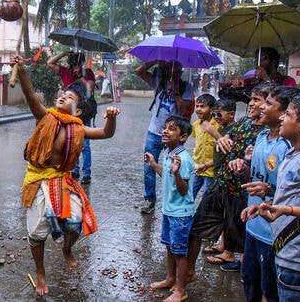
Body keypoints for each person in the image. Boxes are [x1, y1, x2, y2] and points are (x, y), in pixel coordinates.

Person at [11, 55, 120, 296]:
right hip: (38, 180)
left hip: (61, 181)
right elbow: (30, 96)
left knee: (76, 222)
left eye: (69, 97)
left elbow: (105, 133)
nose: (63, 96)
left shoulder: (79, 128)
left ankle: (67, 250)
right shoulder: (46, 116)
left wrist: (111, 118)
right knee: (37, 233)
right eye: (63, 94)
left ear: (78, 110)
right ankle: (41, 273)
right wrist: (23, 71)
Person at [186, 83, 272, 279]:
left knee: (242, 238)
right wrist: (218, 138)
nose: (251, 104)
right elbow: (225, 141)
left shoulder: (270, 134)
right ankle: (188, 273)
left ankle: (242, 268)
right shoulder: (243, 123)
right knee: (196, 227)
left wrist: (244, 164)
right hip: (221, 184)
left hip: (242, 193)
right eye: (251, 99)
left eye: (257, 100)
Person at [232, 86, 297, 302]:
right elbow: (254, 178)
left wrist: (269, 190)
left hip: (273, 233)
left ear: (284, 114)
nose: (260, 106)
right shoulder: (260, 136)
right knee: (249, 279)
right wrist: (244, 170)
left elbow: (295, 193)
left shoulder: (289, 147)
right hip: (252, 224)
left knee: (270, 289)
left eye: (269, 104)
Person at [258, 95, 300, 302]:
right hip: (286, 253)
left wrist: (286, 211)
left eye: (287, 115)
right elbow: (297, 198)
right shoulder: (294, 154)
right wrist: (270, 204)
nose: (282, 118)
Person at [144, 116, 194, 302]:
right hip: (169, 211)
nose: (165, 131)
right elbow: (166, 176)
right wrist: (154, 164)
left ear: (183, 137)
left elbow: (183, 190)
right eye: (165, 128)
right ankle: (170, 278)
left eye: (171, 129)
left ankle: (181, 290)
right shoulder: (168, 154)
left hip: (180, 215)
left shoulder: (183, 159)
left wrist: (177, 173)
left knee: (180, 252)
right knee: (170, 247)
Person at [135, 60, 194, 214]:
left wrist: (175, 91)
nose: (172, 74)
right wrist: (154, 61)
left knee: (173, 167)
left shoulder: (186, 87)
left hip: (174, 136)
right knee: (149, 165)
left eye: (176, 71)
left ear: (180, 73)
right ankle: (150, 199)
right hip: (154, 132)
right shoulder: (158, 82)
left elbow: (183, 108)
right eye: (169, 70)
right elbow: (138, 72)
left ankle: (173, 198)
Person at [47, 51, 96, 184]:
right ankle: (74, 169)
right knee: (69, 140)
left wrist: (81, 78)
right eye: (73, 64)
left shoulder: (87, 73)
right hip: (67, 113)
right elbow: (50, 63)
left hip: (83, 112)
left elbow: (90, 88)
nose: (75, 67)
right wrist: (63, 54)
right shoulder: (64, 71)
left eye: (77, 64)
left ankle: (86, 173)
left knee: (84, 143)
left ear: (81, 64)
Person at [201, 98, 236, 255]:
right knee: (222, 213)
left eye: (219, 114)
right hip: (218, 174)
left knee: (228, 215)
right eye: (214, 114)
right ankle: (223, 244)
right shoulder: (221, 129)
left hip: (229, 178)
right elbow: (218, 155)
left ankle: (228, 251)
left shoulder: (234, 130)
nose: (215, 117)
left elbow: (230, 149)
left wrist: (214, 133)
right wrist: (206, 165)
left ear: (231, 114)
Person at [190, 94, 218, 199]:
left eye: (202, 106)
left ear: (212, 109)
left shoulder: (217, 126)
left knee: (206, 197)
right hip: (197, 167)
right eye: (197, 106)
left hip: (211, 170)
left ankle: (202, 215)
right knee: (189, 194)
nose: (198, 109)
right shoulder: (196, 125)